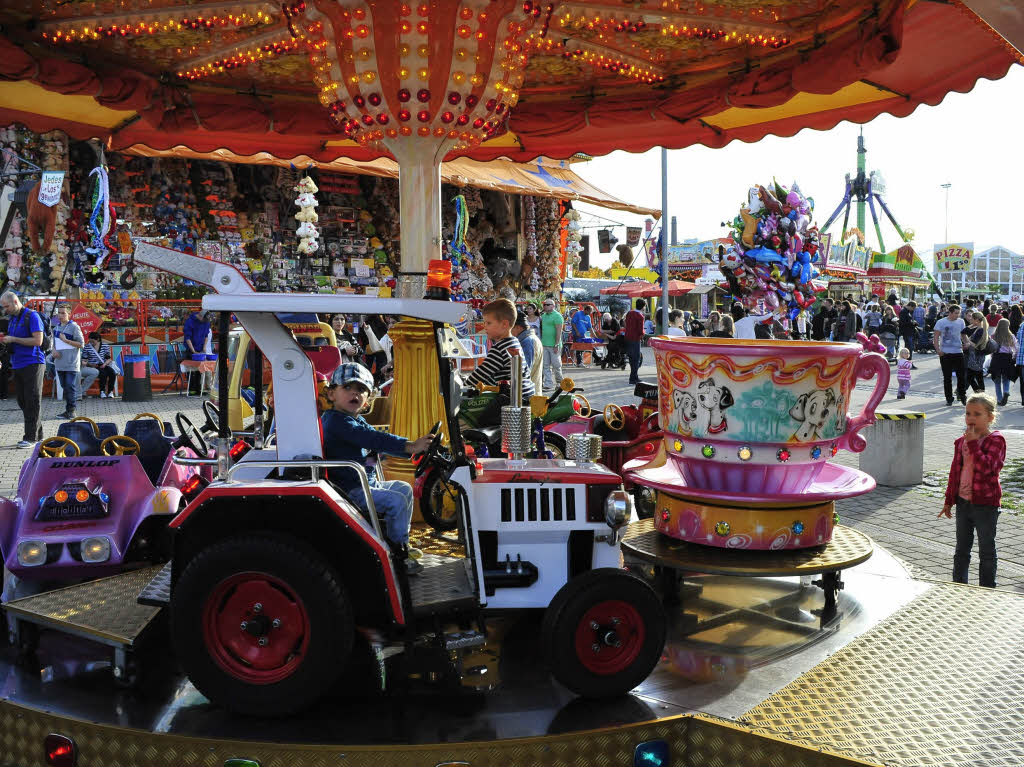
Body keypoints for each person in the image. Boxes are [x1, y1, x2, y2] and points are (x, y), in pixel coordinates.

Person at [321, 362, 432, 574]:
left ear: (367, 399)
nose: (355, 393)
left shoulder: (356, 420)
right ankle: (397, 553)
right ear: (332, 394)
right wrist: (409, 445)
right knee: (396, 500)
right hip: (350, 489)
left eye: (361, 389)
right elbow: (373, 438)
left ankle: (400, 542)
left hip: (365, 482)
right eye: (347, 388)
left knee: (403, 488)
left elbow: (376, 441)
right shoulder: (336, 422)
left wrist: (412, 451)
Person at [938, 394, 1006, 588]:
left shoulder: (996, 440)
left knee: (986, 550)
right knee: (961, 549)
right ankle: (958, 587)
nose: (971, 418)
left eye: (977, 414)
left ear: (990, 417)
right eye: (968, 413)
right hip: (964, 502)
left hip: (986, 504)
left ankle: (986, 588)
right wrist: (949, 499)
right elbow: (955, 472)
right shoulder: (962, 441)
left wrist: (975, 444)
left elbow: (989, 469)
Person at [0, 291, 45, 447]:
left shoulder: (32, 316)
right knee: (22, 401)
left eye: (6, 306)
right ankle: (38, 435)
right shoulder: (12, 318)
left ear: (15, 302)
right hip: (18, 363)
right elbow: (13, 341)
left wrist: (13, 339)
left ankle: (30, 437)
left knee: (32, 400)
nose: (5, 310)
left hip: (33, 363)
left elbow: (38, 341)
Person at [465, 298, 535, 397]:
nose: (485, 326)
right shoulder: (515, 341)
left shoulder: (499, 348)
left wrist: (463, 387)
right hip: (527, 394)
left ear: (504, 324)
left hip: (512, 398)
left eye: (488, 323)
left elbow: (480, 375)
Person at [51, 304, 84, 419]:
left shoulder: (74, 327)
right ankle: (68, 410)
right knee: (65, 386)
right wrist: (53, 351)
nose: (60, 315)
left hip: (71, 364)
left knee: (70, 386)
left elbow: (81, 344)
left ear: (69, 314)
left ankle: (72, 410)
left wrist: (66, 340)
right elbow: (53, 344)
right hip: (59, 363)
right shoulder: (56, 328)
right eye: (59, 313)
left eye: (63, 313)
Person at [934, 304, 967, 406]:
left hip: (958, 352)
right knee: (947, 377)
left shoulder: (961, 322)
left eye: (959, 313)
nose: (958, 315)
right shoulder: (941, 322)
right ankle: (949, 398)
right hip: (946, 353)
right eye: (956, 313)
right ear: (950, 312)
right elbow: (936, 337)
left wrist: (967, 343)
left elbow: (963, 335)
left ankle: (962, 395)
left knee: (961, 376)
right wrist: (938, 350)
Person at [513, 309, 543, 395]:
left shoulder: (527, 341)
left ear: (518, 327)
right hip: (531, 393)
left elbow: (524, 372)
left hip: (528, 395)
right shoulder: (529, 339)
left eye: (510, 328)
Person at [989, 319, 1017, 407]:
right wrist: (1014, 357)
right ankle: (1006, 391)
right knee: (1006, 378)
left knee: (997, 380)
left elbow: (991, 348)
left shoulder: (993, 336)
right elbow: (1016, 348)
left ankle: (999, 399)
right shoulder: (1011, 336)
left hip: (997, 358)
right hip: (1007, 358)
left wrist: (992, 355)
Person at [183, 308, 211, 395]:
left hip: (200, 348)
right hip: (191, 348)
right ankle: (192, 389)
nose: (205, 322)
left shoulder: (206, 322)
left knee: (200, 369)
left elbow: (206, 336)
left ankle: (199, 389)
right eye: (204, 320)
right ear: (200, 316)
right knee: (192, 370)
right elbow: (187, 338)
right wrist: (193, 351)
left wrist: (204, 347)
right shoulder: (190, 322)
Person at [538, 297, 563, 391]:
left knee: (556, 365)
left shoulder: (557, 316)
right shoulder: (543, 316)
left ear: (553, 306)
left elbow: (559, 331)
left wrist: (556, 344)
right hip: (544, 344)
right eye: (544, 304)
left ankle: (560, 383)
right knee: (545, 365)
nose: (545, 306)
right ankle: (548, 384)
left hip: (554, 345)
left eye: (547, 304)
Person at [962, 310, 989, 393]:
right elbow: (963, 331)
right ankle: (980, 393)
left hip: (976, 356)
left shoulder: (980, 330)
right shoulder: (979, 328)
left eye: (972, 319)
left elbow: (975, 345)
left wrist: (968, 342)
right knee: (976, 376)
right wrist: (972, 325)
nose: (970, 320)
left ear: (976, 320)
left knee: (972, 377)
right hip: (976, 356)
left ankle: (979, 393)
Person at [85, 332, 116, 398]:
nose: (91, 343)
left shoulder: (105, 346)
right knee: (103, 373)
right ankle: (102, 391)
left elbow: (108, 359)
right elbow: (84, 360)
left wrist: (104, 364)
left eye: (93, 341)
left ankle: (110, 391)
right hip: (93, 365)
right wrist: (90, 364)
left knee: (112, 373)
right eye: (90, 341)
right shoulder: (87, 347)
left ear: (98, 339)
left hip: (104, 365)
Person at [623, 299, 645, 385]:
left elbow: (626, 323)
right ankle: (633, 378)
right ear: (643, 307)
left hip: (627, 337)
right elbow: (641, 331)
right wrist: (643, 333)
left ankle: (634, 377)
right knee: (636, 358)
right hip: (635, 338)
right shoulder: (640, 316)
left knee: (631, 358)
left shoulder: (629, 313)